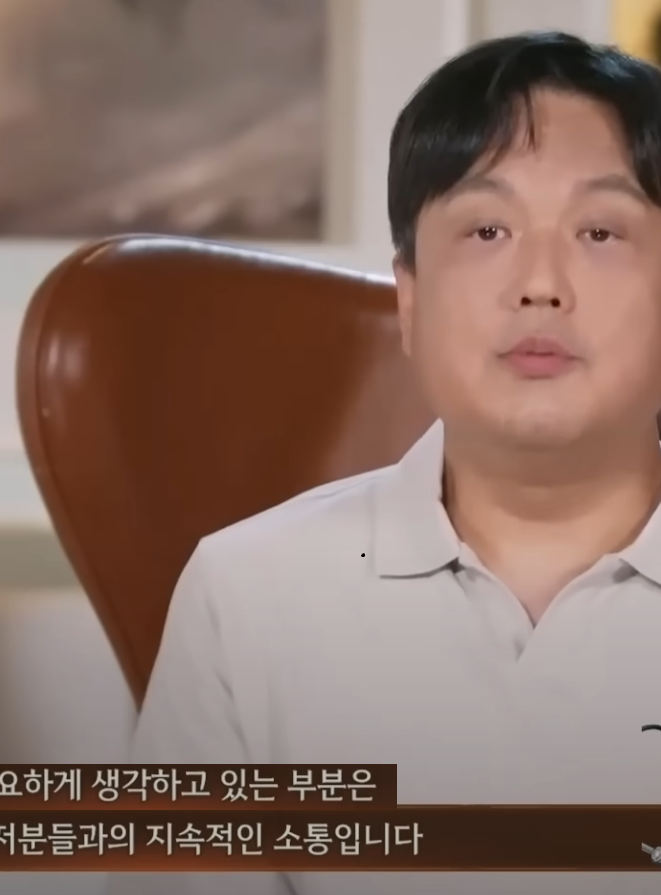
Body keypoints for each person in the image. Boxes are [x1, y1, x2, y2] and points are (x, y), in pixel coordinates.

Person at [110, 31, 661, 894]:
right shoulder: (246, 593)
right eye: (486, 228)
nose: (541, 283)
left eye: (600, 230)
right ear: (409, 299)